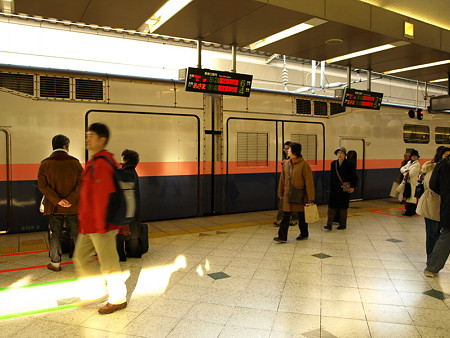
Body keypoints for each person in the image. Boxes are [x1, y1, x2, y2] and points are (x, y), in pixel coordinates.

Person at [73, 123, 128, 314]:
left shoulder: (103, 164)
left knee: (109, 265)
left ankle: (118, 299)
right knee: (80, 257)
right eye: (87, 135)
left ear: (102, 140)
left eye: (91, 136)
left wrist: (100, 225)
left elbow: (104, 197)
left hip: (101, 224)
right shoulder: (94, 162)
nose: (87, 139)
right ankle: (94, 291)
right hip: (89, 224)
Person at [38, 134, 83, 272]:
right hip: (73, 206)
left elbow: (43, 186)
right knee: (76, 233)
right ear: (66, 146)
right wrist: (69, 200)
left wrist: (58, 201)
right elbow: (82, 184)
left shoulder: (45, 164)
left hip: (54, 207)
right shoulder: (75, 163)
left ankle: (55, 263)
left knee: (55, 234)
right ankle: (81, 264)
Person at [273, 142, 315, 243]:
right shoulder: (286, 164)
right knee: (285, 215)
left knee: (302, 215)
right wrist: (280, 192)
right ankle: (282, 237)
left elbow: (309, 182)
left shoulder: (304, 165)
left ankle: (304, 233)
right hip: (288, 194)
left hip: (300, 195)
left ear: (294, 151)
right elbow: (282, 180)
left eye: (289, 149)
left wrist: (311, 198)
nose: (287, 151)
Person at [421, 146, 450, 258]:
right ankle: (431, 260)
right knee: (432, 235)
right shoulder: (432, 168)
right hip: (432, 205)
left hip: (443, 207)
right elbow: (432, 186)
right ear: (440, 156)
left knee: (440, 235)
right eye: (446, 156)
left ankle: (434, 261)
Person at [116, 149, 142, 262]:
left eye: (122, 157)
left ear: (125, 159)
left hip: (123, 208)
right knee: (133, 231)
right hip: (134, 207)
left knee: (119, 234)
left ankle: (120, 256)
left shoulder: (123, 172)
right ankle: (135, 253)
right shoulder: (134, 172)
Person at [324, 147, 357, 230]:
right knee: (331, 206)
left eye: (341, 153)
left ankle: (343, 224)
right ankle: (329, 224)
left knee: (343, 207)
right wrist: (330, 186)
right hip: (334, 188)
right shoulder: (333, 163)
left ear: (345, 155)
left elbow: (353, 176)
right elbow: (332, 176)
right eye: (338, 153)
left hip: (344, 188)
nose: (340, 155)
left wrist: (353, 187)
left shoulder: (350, 164)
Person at [274, 141, 299, 227]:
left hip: (294, 187)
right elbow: (282, 178)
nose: (286, 150)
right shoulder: (286, 159)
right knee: (282, 204)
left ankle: (294, 219)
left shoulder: (298, 161)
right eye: (285, 149)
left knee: (293, 204)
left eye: (287, 149)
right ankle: (280, 219)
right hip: (286, 186)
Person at [400, 150, 421, 216]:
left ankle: (411, 211)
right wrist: (406, 171)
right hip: (408, 183)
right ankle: (409, 211)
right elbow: (402, 169)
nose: (414, 157)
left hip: (413, 183)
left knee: (412, 197)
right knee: (408, 197)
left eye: (415, 156)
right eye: (413, 156)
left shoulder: (417, 164)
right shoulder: (409, 163)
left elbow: (411, 174)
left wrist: (405, 172)